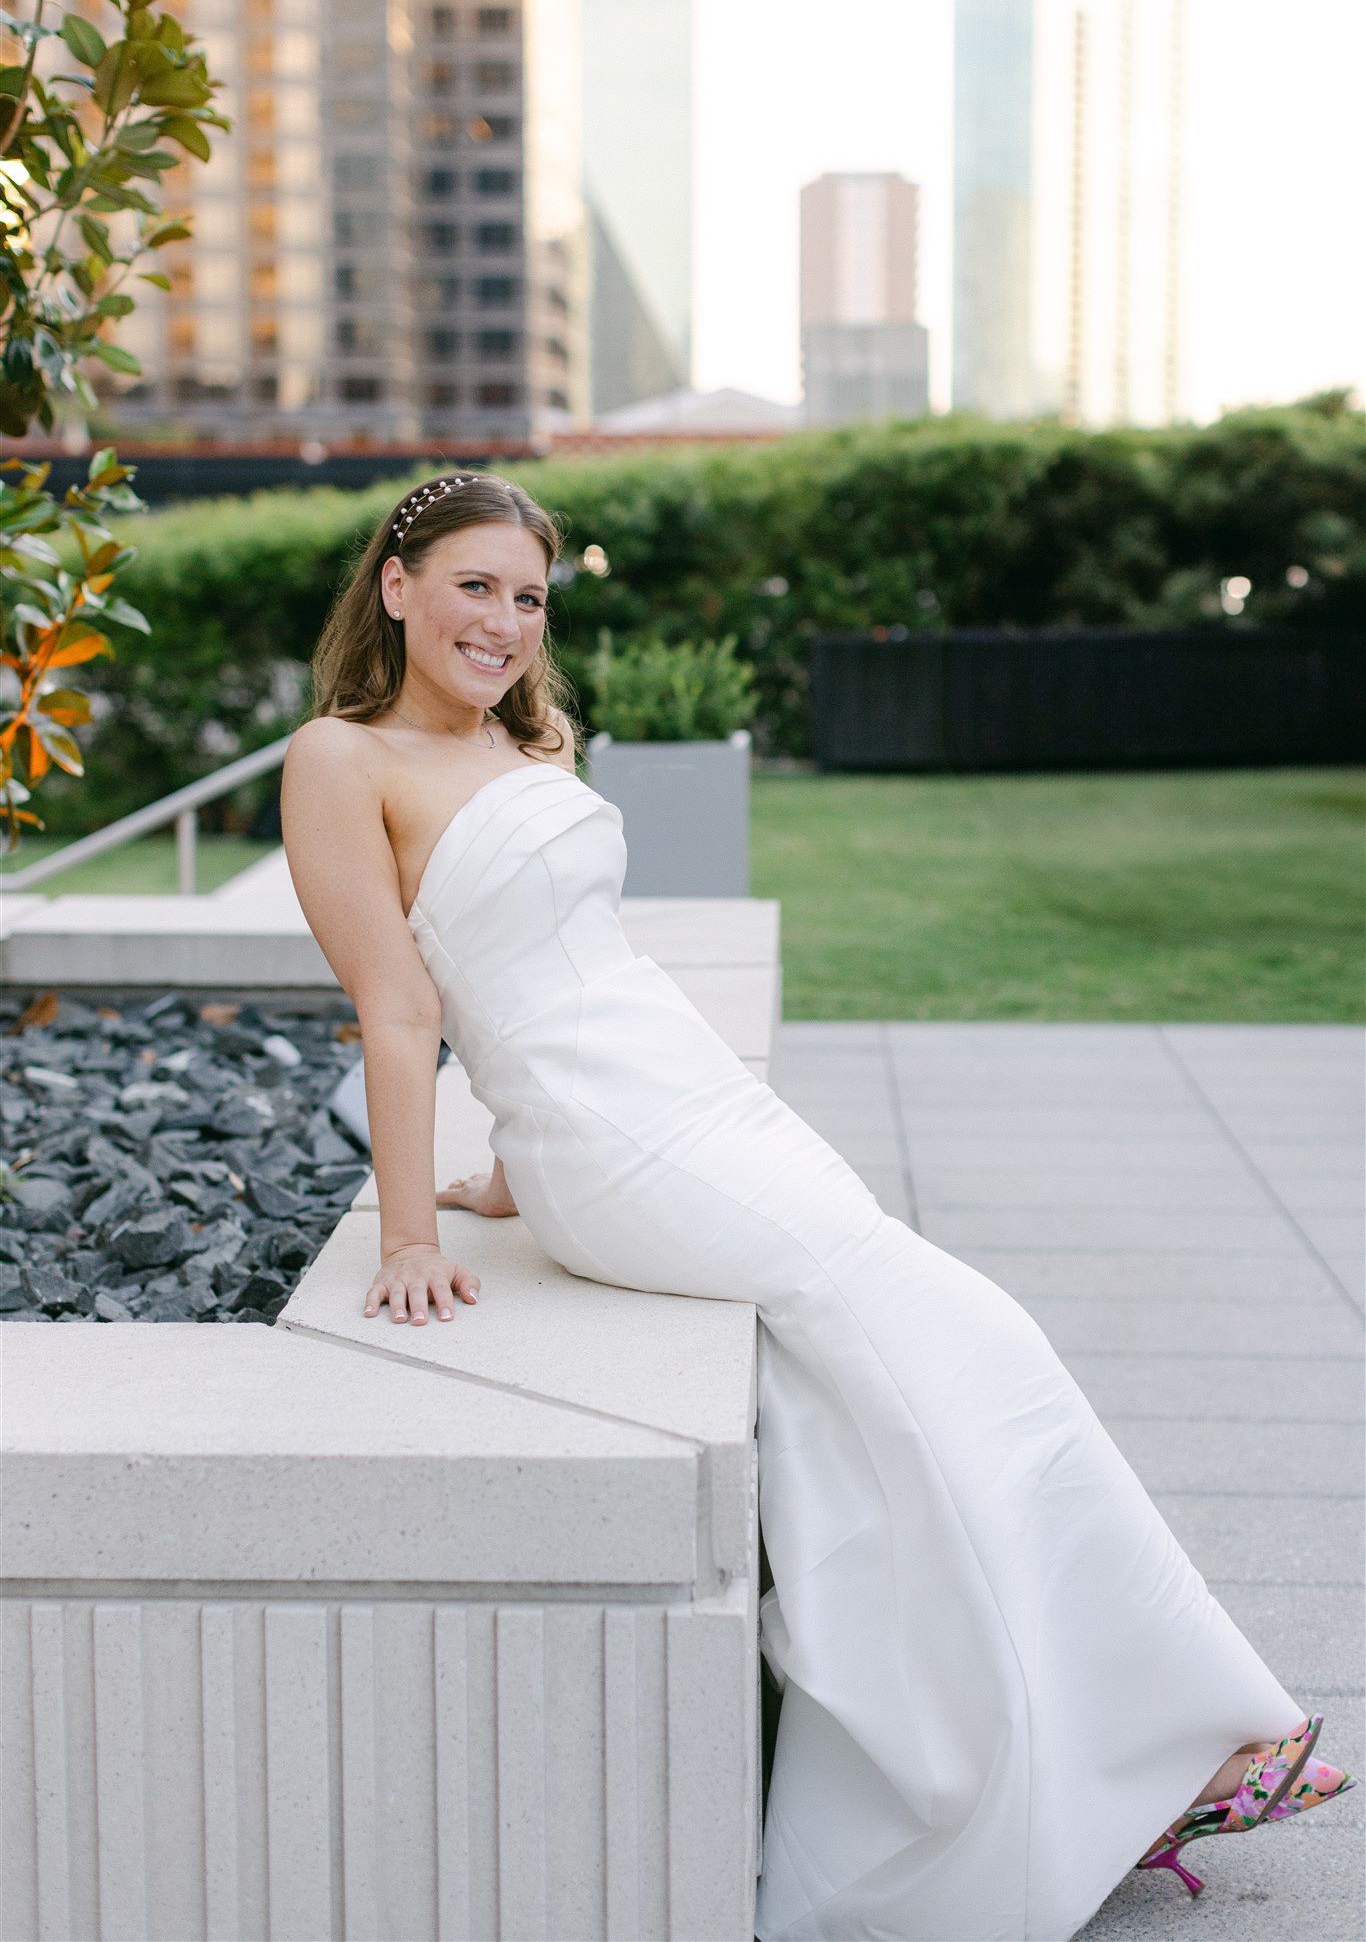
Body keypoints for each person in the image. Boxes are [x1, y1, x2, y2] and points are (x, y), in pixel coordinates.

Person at [281, 473, 1353, 1942]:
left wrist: (506, 1177)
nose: (506, 622)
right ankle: (1191, 1737)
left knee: (935, 1364)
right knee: (965, 1332)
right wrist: (411, 1235)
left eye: (528, 598)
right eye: (474, 585)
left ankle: (1116, 1746)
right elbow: (401, 1010)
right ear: (395, 584)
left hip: (693, 1105)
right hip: (625, 1143)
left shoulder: (526, 740)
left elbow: (563, 957)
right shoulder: (340, 761)